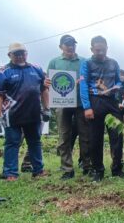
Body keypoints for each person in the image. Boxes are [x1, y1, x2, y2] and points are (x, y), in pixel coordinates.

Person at [0, 42, 50, 180]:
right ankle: (10, 173)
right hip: (12, 115)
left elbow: (44, 89)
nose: (20, 56)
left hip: (33, 114)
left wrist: (47, 109)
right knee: (12, 142)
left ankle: (38, 170)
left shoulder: (37, 69)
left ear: (26, 53)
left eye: (22, 53)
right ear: (9, 55)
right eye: (16, 54)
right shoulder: (3, 72)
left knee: (35, 142)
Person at [80, 35, 124, 182]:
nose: (100, 53)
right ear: (92, 49)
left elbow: (119, 80)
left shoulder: (114, 63)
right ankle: (98, 170)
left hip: (111, 101)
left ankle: (117, 168)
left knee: (117, 135)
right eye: (97, 50)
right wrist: (87, 107)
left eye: (103, 50)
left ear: (107, 48)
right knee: (95, 137)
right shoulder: (86, 63)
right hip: (95, 101)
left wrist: (117, 92)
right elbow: (83, 84)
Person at [47, 35, 91, 180]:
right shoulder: (54, 62)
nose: (70, 47)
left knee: (85, 136)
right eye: (67, 44)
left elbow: (89, 79)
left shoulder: (84, 61)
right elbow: (49, 82)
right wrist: (47, 83)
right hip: (62, 104)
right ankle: (67, 168)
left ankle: (87, 166)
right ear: (61, 47)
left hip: (80, 103)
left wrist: (82, 81)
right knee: (64, 136)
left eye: (73, 44)